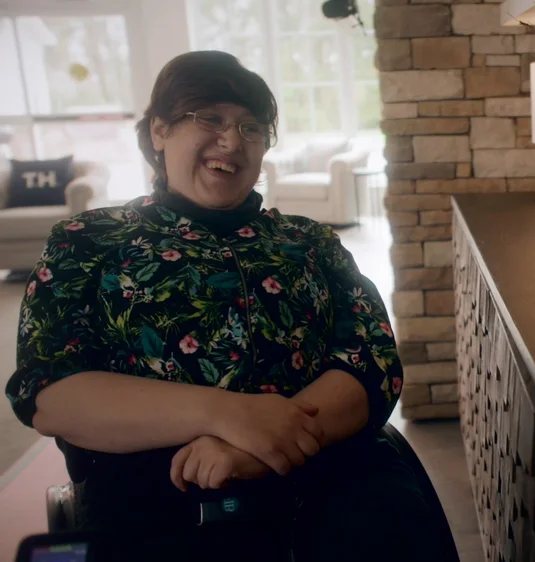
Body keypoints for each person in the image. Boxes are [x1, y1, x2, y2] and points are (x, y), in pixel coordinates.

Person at [6, 51, 442, 561]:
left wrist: (251, 451)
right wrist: (229, 414)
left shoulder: (310, 241)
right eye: (208, 119)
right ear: (158, 132)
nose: (233, 141)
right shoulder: (87, 241)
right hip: (155, 490)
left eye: (252, 127)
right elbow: (48, 390)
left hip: (332, 473)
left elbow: (372, 363)